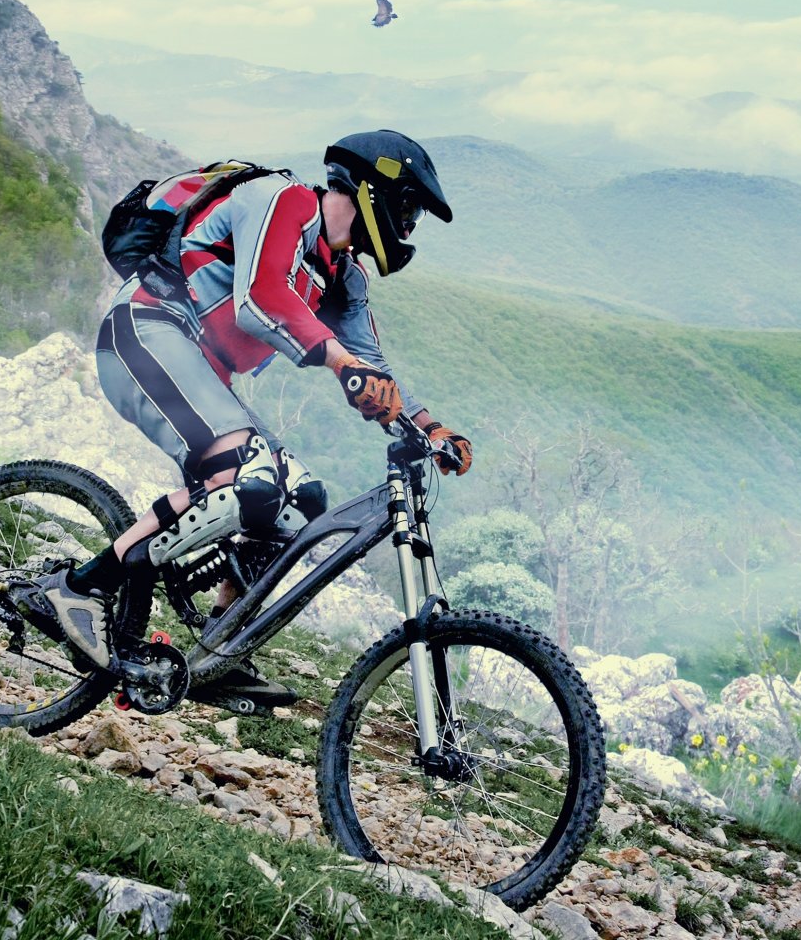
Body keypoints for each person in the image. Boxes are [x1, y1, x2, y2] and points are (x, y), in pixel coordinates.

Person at [28, 129, 472, 709]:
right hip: (146, 332)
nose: (408, 225)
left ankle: (220, 647)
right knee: (247, 472)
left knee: (302, 499)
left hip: (201, 374)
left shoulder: (345, 277)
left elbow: (373, 364)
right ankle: (79, 588)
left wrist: (430, 427)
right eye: (408, 206)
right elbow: (260, 298)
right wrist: (341, 365)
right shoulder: (284, 200)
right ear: (374, 188)